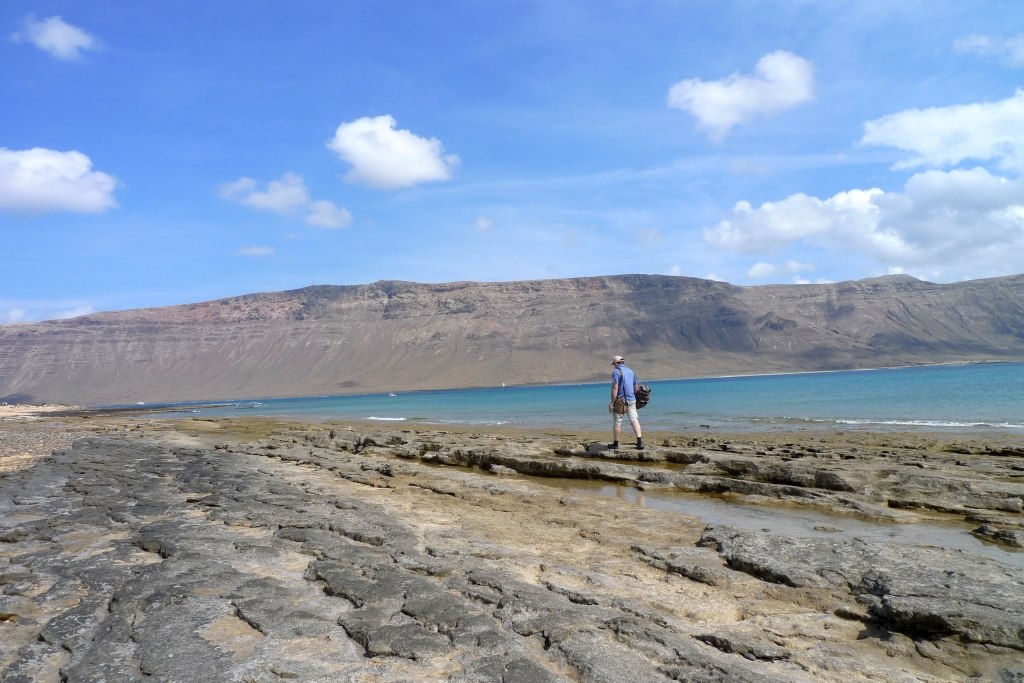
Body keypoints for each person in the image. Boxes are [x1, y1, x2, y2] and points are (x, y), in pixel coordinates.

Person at [608, 355, 643, 450]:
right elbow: (636, 385)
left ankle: (616, 444)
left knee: (617, 422)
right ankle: (640, 442)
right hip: (632, 400)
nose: (614, 366)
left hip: (620, 401)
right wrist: (636, 397)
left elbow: (615, 387)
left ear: (615, 363)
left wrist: (612, 402)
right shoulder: (631, 371)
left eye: (614, 364)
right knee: (634, 420)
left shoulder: (616, 372)